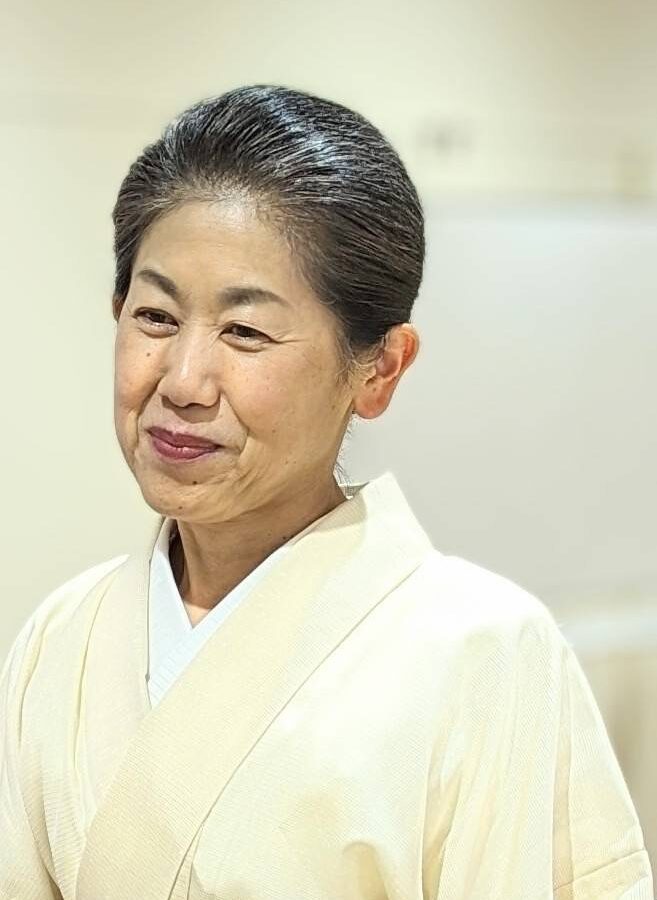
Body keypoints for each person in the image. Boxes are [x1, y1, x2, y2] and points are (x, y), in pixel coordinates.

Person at [0, 85, 652, 900]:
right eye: (156, 317)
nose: (183, 380)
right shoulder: (64, 635)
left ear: (378, 369)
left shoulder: (482, 654)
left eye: (245, 332)